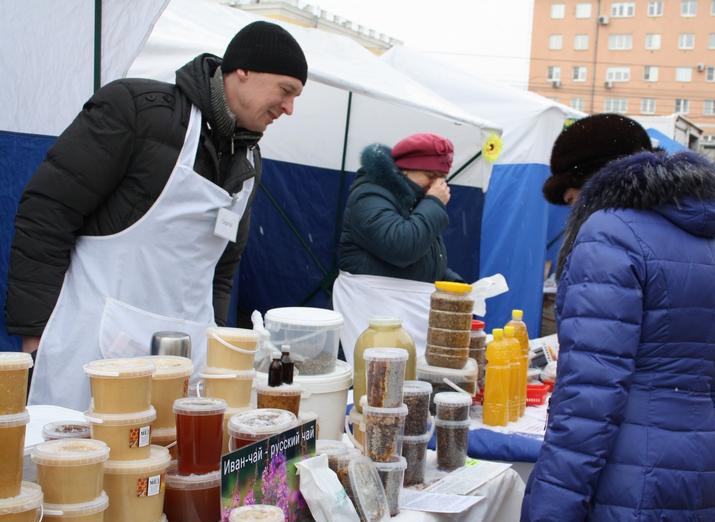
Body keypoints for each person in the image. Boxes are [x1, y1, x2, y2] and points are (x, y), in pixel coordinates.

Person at [5, 21, 307, 409]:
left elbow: (222, 270)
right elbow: (47, 212)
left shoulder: (249, 162)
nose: (289, 109)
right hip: (92, 351)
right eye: (286, 91)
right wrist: (34, 331)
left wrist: (216, 349)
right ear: (243, 71)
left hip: (185, 366)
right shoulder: (138, 111)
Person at [521, 114, 715, 522]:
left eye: (570, 190)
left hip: (626, 470)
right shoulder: (710, 243)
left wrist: (549, 514)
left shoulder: (609, 233)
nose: (569, 201)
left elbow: (590, 394)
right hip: (695, 462)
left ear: (597, 177)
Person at [333, 133, 462, 364]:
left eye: (442, 178)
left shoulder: (415, 200)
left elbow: (424, 255)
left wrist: (452, 283)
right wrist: (433, 204)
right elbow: (401, 247)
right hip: (373, 318)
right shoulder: (370, 195)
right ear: (405, 170)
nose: (437, 185)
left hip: (409, 317)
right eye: (430, 176)